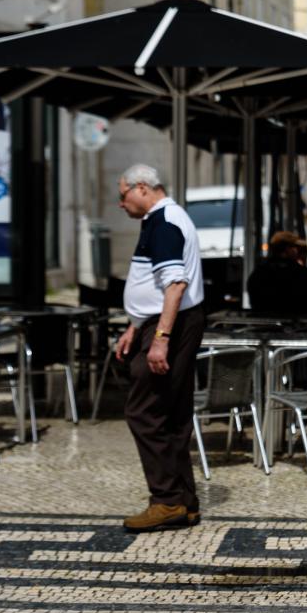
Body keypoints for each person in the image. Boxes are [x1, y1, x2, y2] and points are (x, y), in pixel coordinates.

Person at [115, 164, 205, 533]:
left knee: (144, 413)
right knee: (169, 412)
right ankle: (183, 501)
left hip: (171, 325)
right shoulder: (160, 218)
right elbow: (152, 284)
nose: (120, 203)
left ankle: (166, 500)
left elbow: (175, 286)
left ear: (141, 188)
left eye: (122, 194)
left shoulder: (165, 222)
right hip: (162, 323)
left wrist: (160, 339)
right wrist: (134, 326)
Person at [247, 230, 307, 315]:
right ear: (287, 249)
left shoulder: (258, 274)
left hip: (263, 326)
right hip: (298, 326)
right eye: (295, 247)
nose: (297, 251)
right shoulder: (305, 276)